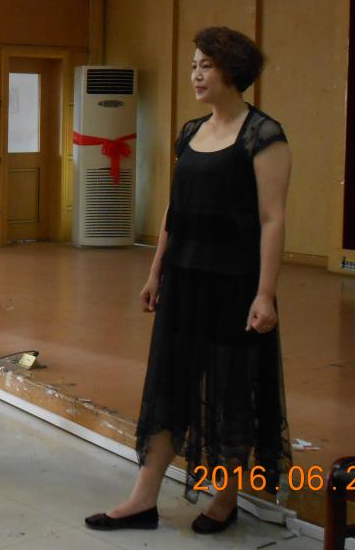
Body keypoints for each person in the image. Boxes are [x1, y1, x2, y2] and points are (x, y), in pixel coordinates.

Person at [86, 26, 293, 534]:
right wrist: (155, 271)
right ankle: (143, 499)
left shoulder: (263, 135)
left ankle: (226, 497)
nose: (196, 75)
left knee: (231, 387)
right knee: (169, 385)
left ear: (233, 71)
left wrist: (265, 294)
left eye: (206, 66)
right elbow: (174, 211)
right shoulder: (190, 131)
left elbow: (273, 219)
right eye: (194, 66)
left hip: (234, 283)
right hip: (184, 278)